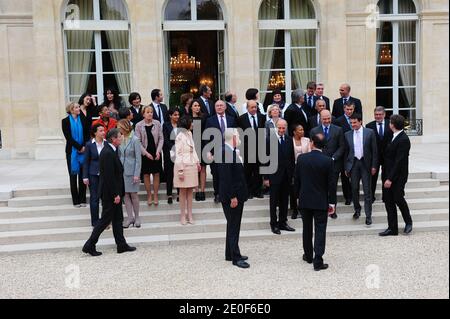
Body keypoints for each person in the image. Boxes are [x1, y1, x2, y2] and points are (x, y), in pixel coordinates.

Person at [82, 129, 137, 257]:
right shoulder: (107, 152)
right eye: (120, 136)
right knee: (104, 220)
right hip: (110, 194)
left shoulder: (112, 149)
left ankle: (121, 245)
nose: (122, 137)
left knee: (118, 219)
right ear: (113, 139)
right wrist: (115, 194)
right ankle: (89, 245)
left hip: (114, 192)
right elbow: (108, 177)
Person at [295, 133, 336, 271]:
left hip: (305, 200)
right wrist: (332, 203)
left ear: (312, 143)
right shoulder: (328, 161)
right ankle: (318, 260)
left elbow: (297, 181)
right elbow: (331, 185)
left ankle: (308, 255)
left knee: (306, 229)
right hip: (320, 201)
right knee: (320, 230)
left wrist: (297, 197)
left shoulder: (301, 159)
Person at [218, 128, 250, 269]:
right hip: (232, 196)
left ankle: (229, 253)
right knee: (234, 225)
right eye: (238, 135)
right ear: (233, 137)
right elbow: (226, 178)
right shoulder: (226, 152)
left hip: (235, 194)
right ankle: (235, 257)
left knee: (232, 224)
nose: (240, 138)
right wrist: (233, 196)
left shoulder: (229, 151)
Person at [380, 115, 413, 237]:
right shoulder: (392, 135)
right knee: (388, 201)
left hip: (398, 176)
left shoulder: (403, 139)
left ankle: (408, 222)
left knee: (398, 198)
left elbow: (399, 162)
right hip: (387, 173)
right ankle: (392, 228)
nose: (389, 124)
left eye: (390, 122)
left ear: (393, 125)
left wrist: (390, 179)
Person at [310, 110, 345, 219]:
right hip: (319, 165)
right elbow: (312, 147)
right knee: (320, 188)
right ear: (320, 118)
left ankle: (332, 210)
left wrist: (333, 158)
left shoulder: (338, 130)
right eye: (324, 119)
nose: (327, 121)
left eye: (328, 118)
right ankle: (321, 208)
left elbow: (342, 147)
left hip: (333, 164)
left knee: (332, 188)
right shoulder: (314, 131)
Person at [344, 114, 378, 226]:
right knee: (354, 189)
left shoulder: (370, 132)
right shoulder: (347, 134)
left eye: (354, 122)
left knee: (367, 191)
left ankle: (368, 216)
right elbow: (346, 152)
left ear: (360, 122)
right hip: (353, 164)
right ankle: (357, 210)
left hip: (366, 164)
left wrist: (374, 166)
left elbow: (374, 151)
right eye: (351, 123)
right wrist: (346, 167)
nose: (352, 125)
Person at [264, 119, 296, 235]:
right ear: (275, 128)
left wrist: (292, 174)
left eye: (283, 128)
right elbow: (265, 159)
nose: (281, 130)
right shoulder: (269, 140)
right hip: (274, 175)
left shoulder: (288, 140)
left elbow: (292, 159)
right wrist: (266, 177)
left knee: (284, 200)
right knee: (273, 202)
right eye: (279, 128)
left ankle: (283, 222)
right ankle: (273, 224)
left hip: (286, 176)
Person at [205, 100, 237, 203]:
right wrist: (208, 151)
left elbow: (235, 135)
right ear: (215, 108)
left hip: (230, 151)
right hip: (215, 152)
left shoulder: (232, 119)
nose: (219, 107)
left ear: (225, 107)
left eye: (221, 105)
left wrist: (236, 149)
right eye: (217, 105)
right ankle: (217, 194)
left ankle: (229, 193)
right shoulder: (210, 120)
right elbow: (206, 137)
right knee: (216, 173)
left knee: (229, 173)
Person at [174, 116, 201, 225]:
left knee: (190, 191)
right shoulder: (179, 137)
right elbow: (178, 154)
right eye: (191, 122)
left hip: (191, 164)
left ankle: (190, 214)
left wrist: (197, 161)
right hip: (183, 165)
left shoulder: (190, 134)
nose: (193, 124)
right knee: (183, 191)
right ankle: (182, 215)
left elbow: (193, 149)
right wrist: (180, 170)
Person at [237, 100, 266, 199]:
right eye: (252, 107)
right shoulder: (241, 119)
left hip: (260, 148)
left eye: (255, 107)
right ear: (247, 108)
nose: (254, 109)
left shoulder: (262, 117)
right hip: (247, 149)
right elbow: (240, 134)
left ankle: (257, 191)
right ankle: (248, 191)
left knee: (258, 171)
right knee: (247, 172)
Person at [135, 105, 164, 206]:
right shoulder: (139, 125)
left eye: (151, 112)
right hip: (145, 153)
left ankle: (155, 195)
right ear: (143, 114)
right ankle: (149, 195)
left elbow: (161, 138)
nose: (150, 114)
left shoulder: (157, 123)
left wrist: (158, 151)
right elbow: (137, 142)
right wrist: (146, 153)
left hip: (156, 152)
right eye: (147, 112)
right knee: (146, 175)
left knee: (156, 174)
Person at [117, 120, 142, 228]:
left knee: (133, 194)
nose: (118, 129)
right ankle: (130, 217)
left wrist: (137, 174)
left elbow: (138, 159)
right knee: (125, 194)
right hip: (122, 171)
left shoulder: (135, 139)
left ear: (124, 127)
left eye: (119, 127)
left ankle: (137, 217)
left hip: (132, 171)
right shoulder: (120, 138)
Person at [62, 102, 87, 208]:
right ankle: (76, 201)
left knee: (82, 175)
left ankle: (82, 199)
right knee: (73, 175)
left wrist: (84, 146)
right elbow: (68, 137)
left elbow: (87, 133)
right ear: (71, 110)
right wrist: (79, 147)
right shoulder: (65, 121)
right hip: (71, 151)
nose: (79, 109)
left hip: (83, 150)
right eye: (76, 107)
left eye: (78, 107)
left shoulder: (83, 118)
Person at [366, 107, 393, 203]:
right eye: (376, 115)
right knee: (372, 178)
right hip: (374, 157)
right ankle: (371, 197)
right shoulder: (369, 126)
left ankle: (386, 197)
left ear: (384, 115)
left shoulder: (391, 124)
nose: (378, 116)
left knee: (386, 177)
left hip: (387, 157)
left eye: (380, 114)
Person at [82, 124, 105, 226]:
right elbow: (86, 161)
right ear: (95, 133)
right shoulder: (89, 145)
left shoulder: (107, 144)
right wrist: (85, 176)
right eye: (100, 131)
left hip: (105, 175)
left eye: (103, 130)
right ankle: (95, 221)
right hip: (93, 174)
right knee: (94, 198)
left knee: (105, 198)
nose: (103, 132)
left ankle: (105, 220)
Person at [334, 102, 356, 206]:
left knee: (354, 175)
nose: (349, 111)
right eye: (347, 109)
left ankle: (354, 195)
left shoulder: (356, 119)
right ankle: (347, 197)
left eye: (351, 109)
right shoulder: (338, 121)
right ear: (344, 109)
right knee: (344, 176)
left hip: (355, 152)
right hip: (344, 152)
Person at [291, 124, 311, 220]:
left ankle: (303, 209)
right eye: (300, 130)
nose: (302, 131)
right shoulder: (289, 140)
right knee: (294, 190)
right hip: (293, 168)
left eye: (303, 129)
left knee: (304, 189)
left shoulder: (307, 140)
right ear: (294, 132)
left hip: (305, 167)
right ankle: (295, 210)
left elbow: (309, 153)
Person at [190, 100, 208, 201]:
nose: (197, 107)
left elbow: (206, 131)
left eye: (198, 106)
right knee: (194, 169)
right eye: (195, 105)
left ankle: (202, 191)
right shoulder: (187, 118)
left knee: (202, 168)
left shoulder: (204, 117)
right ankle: (196, 190)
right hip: (191, 146)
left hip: (202, 144)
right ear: (191, 107)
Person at [163, 107, 181, 204]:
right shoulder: (165, 125)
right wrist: (173, 148)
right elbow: (165, 139)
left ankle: (179, 193)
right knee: (169, 174)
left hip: (180, 153)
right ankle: (169, 194)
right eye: (175, 115)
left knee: (178, 173)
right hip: (169, 152)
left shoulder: (181, 125)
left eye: (178, 115)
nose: (177, 116)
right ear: (170, 115)